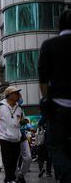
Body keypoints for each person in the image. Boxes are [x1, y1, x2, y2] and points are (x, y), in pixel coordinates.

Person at [38, 10, 71, 183]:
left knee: (56, 145)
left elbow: (43, 78)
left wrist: (46, 99)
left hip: (59, 106)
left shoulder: (49, 45)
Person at [0, 86, 24, 183]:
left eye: (18, 93)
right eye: (16, 93)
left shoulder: (19, 108)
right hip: (5, 138)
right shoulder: (0, 107)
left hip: (16, 138)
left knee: (15, 160)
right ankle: (9, 178)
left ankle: (10, 178)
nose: (18, 95)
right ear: (9, 95)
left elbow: (20, 121)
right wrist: (4, 130)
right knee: (7, 160)